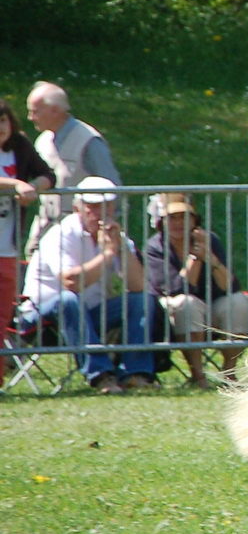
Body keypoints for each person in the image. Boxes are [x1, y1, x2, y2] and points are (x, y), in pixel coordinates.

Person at [18, 177, 155, 392]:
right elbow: (70, 283)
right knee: (69, 299)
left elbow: (138, 286)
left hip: (88, 315)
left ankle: (134, 373)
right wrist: (108, 254)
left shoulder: (114, 234)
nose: (101, 212)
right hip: (41, 317)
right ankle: (102, 376)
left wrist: (120, 248)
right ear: (77, 208)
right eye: (93, 206)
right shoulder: (61, 234)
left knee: (142, 300)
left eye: (107, 205)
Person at [145, 193, 248, 387]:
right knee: (187, 303)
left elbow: (230, 286)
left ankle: (229, 374)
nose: (178, 223)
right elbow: (176, 289)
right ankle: (198, 375)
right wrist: (195, 258)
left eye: (184, 217)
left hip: (211, 307)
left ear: (194, 220)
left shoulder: (209, 239)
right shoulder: (155, 247)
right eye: (172, 218)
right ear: (162, 222)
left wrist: (210, 257)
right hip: (172, 313)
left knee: (238, 302)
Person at [24, 81, 122, 255]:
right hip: (45, 228)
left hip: (81, 235)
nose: (30, 117)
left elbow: (112, 187)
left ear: (55, 110)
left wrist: (105, 229)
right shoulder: (43, 140)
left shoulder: (89, 141)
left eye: (35, 111)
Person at [0, 97, 54, 343]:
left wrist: (32, 187)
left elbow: (47, 175)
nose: (1, 127)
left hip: (7, 247)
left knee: (2, 318)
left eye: (3, 120)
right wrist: (15, 185)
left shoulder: (20, 146)